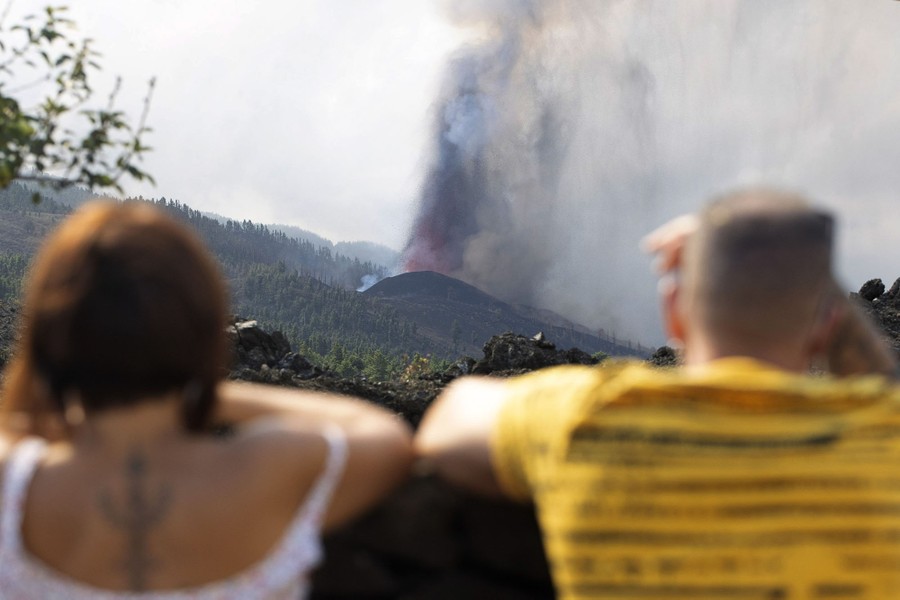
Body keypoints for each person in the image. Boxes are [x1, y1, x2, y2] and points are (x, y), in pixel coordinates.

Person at [416, 188, 900, 599]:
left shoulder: (591, 415)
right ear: (829, 324)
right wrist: (805, 282)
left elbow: (446, 423)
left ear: (673, 311)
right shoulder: (885, 437)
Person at [0, 201, 413, 598]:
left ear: (50, 336)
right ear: (202, 331)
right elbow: (378, 431)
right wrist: (207, 391)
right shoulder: (270, 469)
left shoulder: (13, 481)